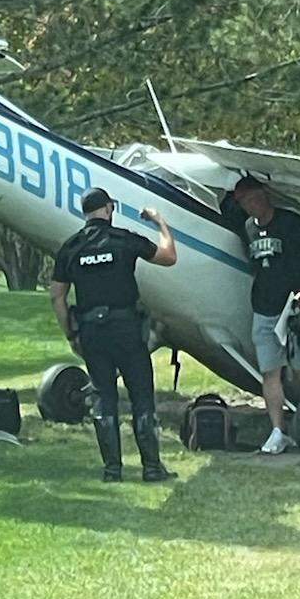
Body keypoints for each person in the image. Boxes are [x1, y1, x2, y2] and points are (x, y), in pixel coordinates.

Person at [50, 187, 177, 483]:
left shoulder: (71, 247)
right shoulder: (124, 240)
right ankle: (152, 468)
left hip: (92, 332)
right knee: (141, 395)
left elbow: (56, 296)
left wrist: (70, 333)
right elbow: (169, 257)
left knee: (103, 397)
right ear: (108, 209)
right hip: (126, 329)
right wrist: (160, 222)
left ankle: (112, 470)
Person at [226, 175, 300, 454]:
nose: (252, 205)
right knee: (270, 371)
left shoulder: (291, 223)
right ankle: (277, 430)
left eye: (255, 198)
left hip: (296, 307)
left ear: (265, 195)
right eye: (245, 201)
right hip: (265, 307)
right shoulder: (249, 228)